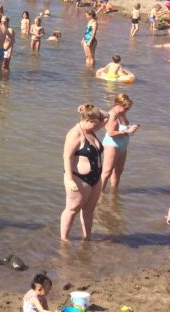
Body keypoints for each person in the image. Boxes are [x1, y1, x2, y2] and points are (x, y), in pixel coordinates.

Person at [60, 104, 105, 241]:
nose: (97, 126)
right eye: (94, 124)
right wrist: (70, 180)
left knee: (89, 210)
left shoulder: (91, 129)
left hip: (96, 177)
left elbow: (107, 115)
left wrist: (87, 108)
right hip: (79, 178)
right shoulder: (75, 134)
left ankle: (87, 239)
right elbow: (67, 157)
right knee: (72, 209)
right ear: (86, 121)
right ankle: (64, 240)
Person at [100, 93, 138, 193]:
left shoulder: (122, 113)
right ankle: (99, 195)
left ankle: (114, 194)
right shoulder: (112, 115)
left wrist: (130, 129)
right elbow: (111, 133)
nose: (127, 110)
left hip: (123, 146)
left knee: (118, 171)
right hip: (112, 145)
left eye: (128, 108)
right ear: (117, 104)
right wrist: (127, 131)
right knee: (107, 172)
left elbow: (123, 129)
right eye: (125, 108)